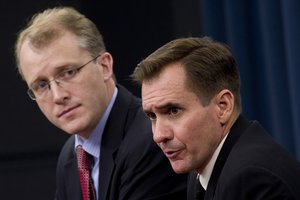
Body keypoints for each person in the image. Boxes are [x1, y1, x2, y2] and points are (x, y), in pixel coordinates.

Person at [14, 6, 187, 200]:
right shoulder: (71, 156)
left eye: (68, 72)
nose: (57, 96)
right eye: (42, 85)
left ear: (104, 66)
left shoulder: (150, 139)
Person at [131, 36, 300, 199]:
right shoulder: (202, 169)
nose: (159, 135)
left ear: (223, 106)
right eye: (152, 116)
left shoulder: (252, 178)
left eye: (173, 111)